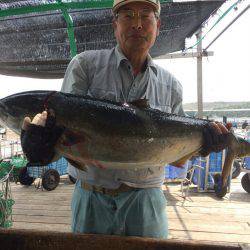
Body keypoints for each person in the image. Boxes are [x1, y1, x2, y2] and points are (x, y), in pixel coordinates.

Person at [21, 0, 229, 239]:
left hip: (147, 201)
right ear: (115, 25)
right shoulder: (85, 67)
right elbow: (63, 133)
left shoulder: (171, 85)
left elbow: (179, 145)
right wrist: (42, 146)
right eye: (128, 16)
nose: (137, 24)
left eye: (145, 16)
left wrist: (204, 144)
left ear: (158, 25)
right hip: (91, 198)